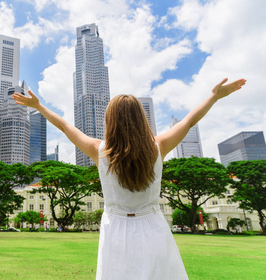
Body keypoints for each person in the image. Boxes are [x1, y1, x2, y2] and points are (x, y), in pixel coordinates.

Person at [13, 78, 246, 280]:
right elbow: (188, 122)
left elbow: (65, 127)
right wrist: (213, 97)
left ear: (109, 120)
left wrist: (40, 107)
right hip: (153, 224)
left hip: (116, 227)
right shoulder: (159, 147)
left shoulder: (99, 150)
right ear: (140, 119)